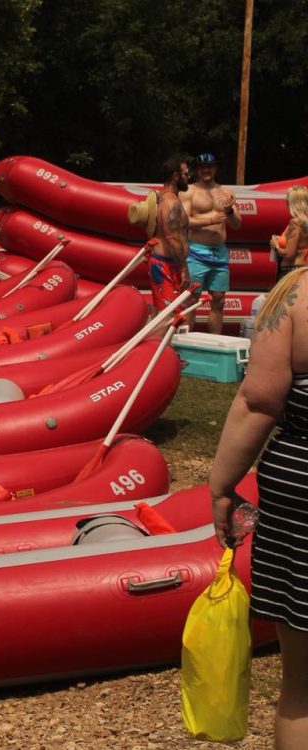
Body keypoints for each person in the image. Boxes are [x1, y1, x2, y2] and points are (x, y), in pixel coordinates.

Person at [209, 266, 308, 749]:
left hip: (301, 494)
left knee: (303, 689)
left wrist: (221, 486)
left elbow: (258, 402)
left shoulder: (297, 297)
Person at [181, 153, 242, 334]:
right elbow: (183, 221)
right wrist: (210, 221)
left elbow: (237, 225)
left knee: (219, 300)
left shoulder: (226, 193)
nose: (206, 170)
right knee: (192, 299)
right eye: (202, 167)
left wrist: (230, 210)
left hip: (219, 254)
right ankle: (186, 345)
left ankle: (215, 344)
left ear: (216, 168)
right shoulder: (189, 191)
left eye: (210, 166)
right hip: (196, 252)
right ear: (197, 170)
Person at [147, 158, 191, 315]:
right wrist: (184, 268)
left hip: (171, 264)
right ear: (175, 176)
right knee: (167, 318)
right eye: (186, 174)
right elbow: (171, 237)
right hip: (166, 266)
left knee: (172, 316)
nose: (189, 177)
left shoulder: (165, 199)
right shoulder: (170, 203)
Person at [271, 185, 308, 280]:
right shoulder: (304, 222)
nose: (286, 202)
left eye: (287, 199)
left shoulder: (295, 223)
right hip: (302, 269)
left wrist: (276, 246)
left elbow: (289, 254)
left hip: (291, 270)